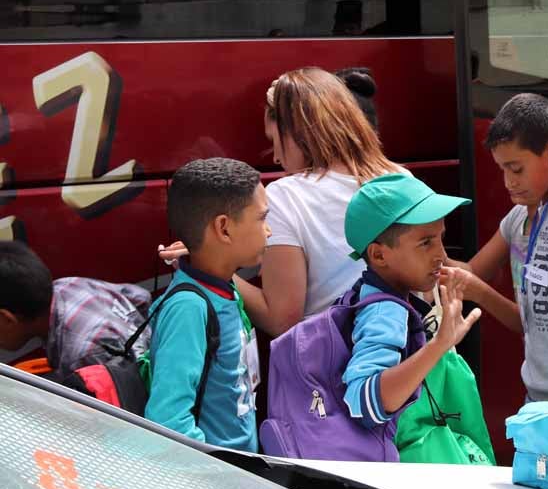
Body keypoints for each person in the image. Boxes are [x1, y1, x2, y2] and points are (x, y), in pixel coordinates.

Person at [160, 67, 405, 336]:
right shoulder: (400, 177)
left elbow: (282, 321)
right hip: (409, 356)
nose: (275, 157)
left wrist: (211, 263)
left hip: (337, 368)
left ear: (298, 133)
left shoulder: (285, 197)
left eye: (275, 139)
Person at [444, 95, 548, 402]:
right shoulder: (518, 216)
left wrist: (477, 290)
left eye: (516, 169)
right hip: (538, 391)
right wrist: (425, 244)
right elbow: (478, 280)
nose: (508, 182)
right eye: (502, 170)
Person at [341, 173, 480, 438]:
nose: (441, 254)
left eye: (440, 238)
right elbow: (362, 401)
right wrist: (438, 345)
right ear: (379, 255)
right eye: (426, 243)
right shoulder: (385, 312)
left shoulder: (373, 293)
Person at [145, 158, 270, 451]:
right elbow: (169, 422)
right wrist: (224, 475)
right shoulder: (189, 309)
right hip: (221, 482)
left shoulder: (223, 285)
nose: (269, 231)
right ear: (224, 229)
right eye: (262, 219)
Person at [0, 241, 150, 376]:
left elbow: (121, 403)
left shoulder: (82, 356)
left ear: (7, 319)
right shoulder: (70, 284)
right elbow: (141, 296)